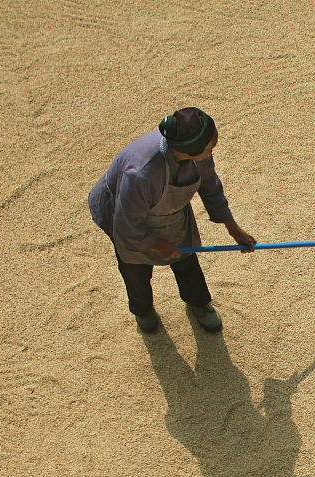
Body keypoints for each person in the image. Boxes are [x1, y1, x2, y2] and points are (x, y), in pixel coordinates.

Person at [88, 107, 256, 333]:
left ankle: (198, 302)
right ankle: (142, 308)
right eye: (210, 145)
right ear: (192, 149)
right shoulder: (140, 172)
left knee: (185, 257)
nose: (213, 148)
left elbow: (211, 187)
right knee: (135, 266)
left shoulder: (199, 155)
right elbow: (127, 225)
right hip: (124, 211)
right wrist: (156, 243)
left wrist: (233, 228)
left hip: (170, 210)